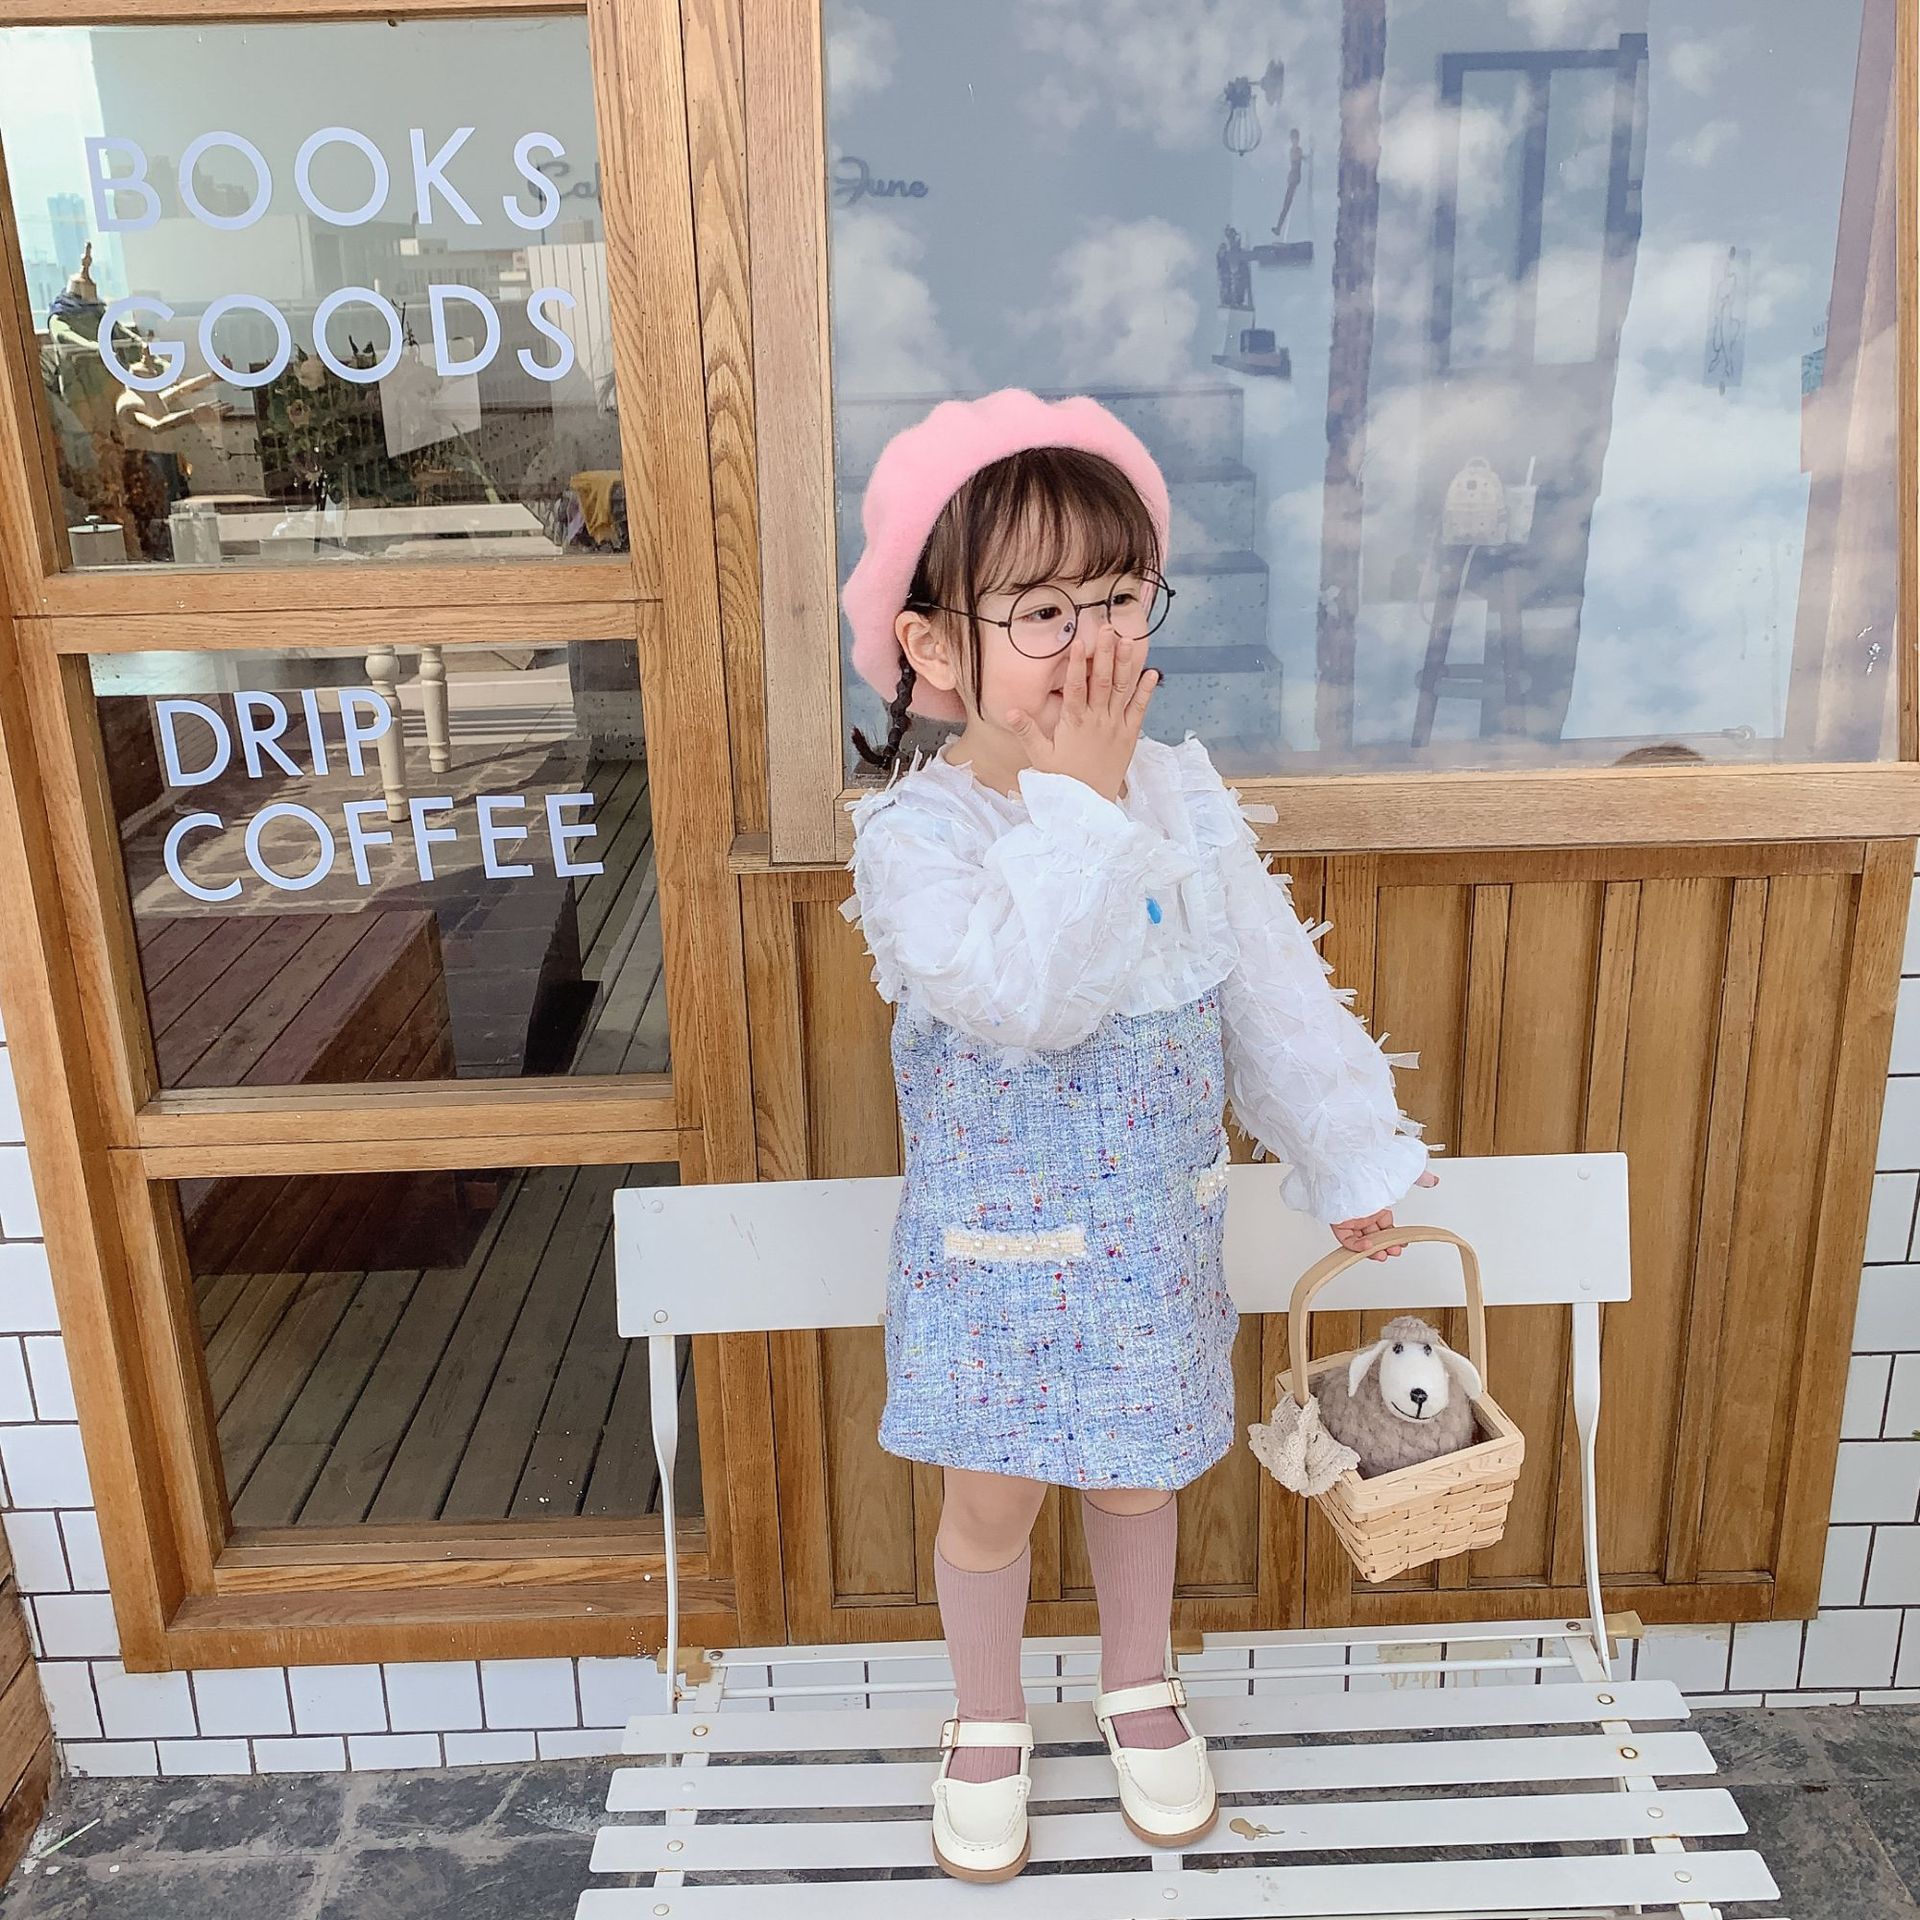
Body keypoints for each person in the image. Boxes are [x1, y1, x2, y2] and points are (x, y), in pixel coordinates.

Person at [841, 389, 1436, 1883]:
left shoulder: (1181, 793)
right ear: (934, 649)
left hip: (1148, 1253)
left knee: (1135, 1478)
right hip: (992, 1265)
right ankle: (987, 1716)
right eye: (1042, 611)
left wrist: (1346, 1158)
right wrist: (1085, 805)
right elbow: (1022, 1002)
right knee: (991, 1498)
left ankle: (1136, 1682)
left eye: (1116, 598)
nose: (1093, 643)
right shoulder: (916, 836)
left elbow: (1270, 990)